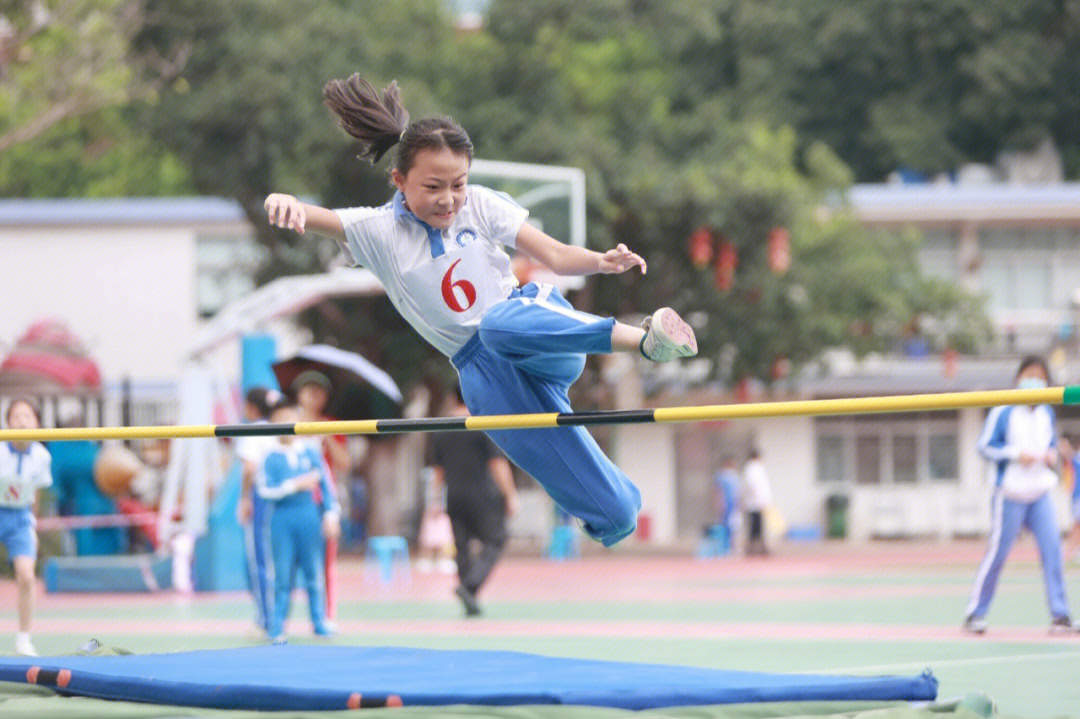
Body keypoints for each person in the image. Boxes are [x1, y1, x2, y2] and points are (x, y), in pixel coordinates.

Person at [263, 74, 698, 547]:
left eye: (458, 184)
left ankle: (645, 340)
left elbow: (552, 256)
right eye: (433, 186)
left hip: (533, 327)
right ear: (399, 180)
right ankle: (616, 505)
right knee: (615, 516)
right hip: (487, 377)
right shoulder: (377, 231)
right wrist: (283, 201)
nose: (449, 198)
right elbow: (313, 217)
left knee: (497, 324)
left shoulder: (482, 206)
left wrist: (600, 261)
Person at [963, 356, 1079, 635]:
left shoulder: (1046, 413)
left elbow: (1049, 443)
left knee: (1053, 551)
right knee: (998, 554)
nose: (1034, 381)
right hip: (1010, 494)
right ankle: (975, 614)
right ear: (1018, 379)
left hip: (1039, 494)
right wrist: (1017, 455)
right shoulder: (1003, 410)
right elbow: (984, 447)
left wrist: (1051, 454)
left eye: (1040, 377)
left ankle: (1060, 616)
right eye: (1029, 375)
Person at [429, 388, 519, 616]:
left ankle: (469, 595)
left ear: (452, 397)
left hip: (454, 497)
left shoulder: (441, 428)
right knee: (497, 539)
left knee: (462, 547)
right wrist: (510, 494)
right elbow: (497, 463)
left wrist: (435, 499)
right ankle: (469, 587)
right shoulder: (481, 424)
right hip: (482, 496)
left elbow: (437, 470)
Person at [257, 399, 341, 642]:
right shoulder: (270, 456)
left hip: (309, 516)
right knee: (282, 575)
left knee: (314, 573)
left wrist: (330, 515)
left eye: (291, 417)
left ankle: (319, 621)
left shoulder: (311, 452)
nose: (287, 423)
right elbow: (265, 490)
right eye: (281, 418)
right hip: (282, 517)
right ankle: (277, 626)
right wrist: (294, 485)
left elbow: (327, 488)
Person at [292, 370, 349, 620]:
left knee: (325, 561)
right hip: (292, 500)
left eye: (319, 391)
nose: (314, 395)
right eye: (309, 390)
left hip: (322, 501)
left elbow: (345, 463)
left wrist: (327, 439)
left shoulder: (331, 425)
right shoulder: (287, 423)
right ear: (299, 394)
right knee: (288, 563)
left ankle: (326, 615)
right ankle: (280, 617)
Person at [0, 398, 52, 656]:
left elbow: (36, 495)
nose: (22, 421)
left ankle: (23, 638)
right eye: (16, 416)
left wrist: (32, 525)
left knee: (27, 575)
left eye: (27, 416)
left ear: (37, 422)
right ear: (8, 422)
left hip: (20, 518)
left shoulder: (42, 456)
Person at [234, 386, 280, 634]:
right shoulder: (276, 430)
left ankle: (266, 619)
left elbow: (249, 469)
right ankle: (271, 616)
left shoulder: (253, 432)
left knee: (258, 561)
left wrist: (244, 499)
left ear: (251, 407)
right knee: (270, 560)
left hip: (261, 500)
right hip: (279, 501)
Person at [49, 411, 123, 556]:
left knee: (88, 552)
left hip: (86, 510)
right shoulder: (91, 450)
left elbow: (55, 486)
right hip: (97, 508)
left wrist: (58, 503)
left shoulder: (62, 449)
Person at [742, 448, 772, 556]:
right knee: (755, 526)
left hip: (757, 502)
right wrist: (760, 499)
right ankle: (754, 547)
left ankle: (756, 546)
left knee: (757, 526)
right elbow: (753, 485)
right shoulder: (753, 468)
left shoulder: (754, 468)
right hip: (755, 502)